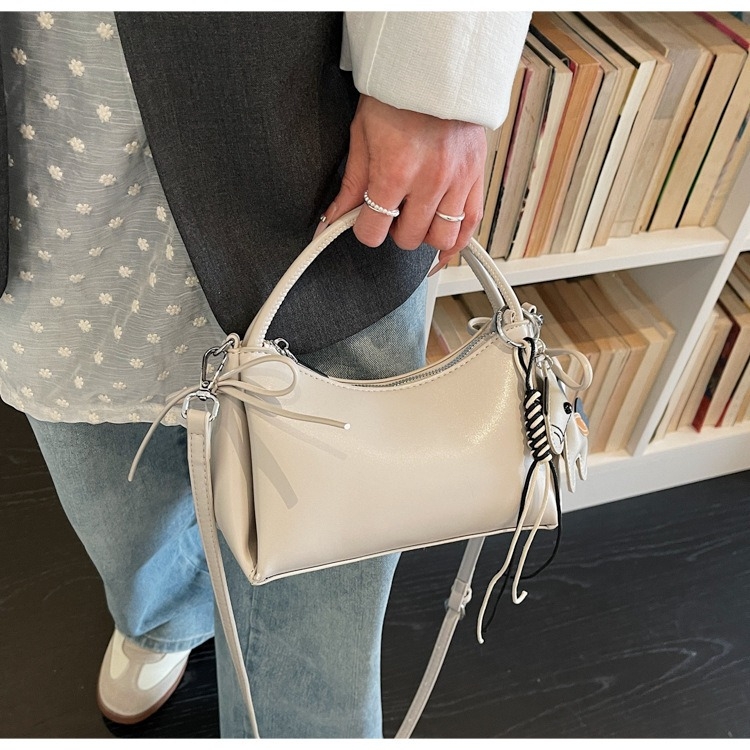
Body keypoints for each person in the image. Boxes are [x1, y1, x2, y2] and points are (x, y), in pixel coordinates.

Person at [0, 11, 531, 738]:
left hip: (296, 118)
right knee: (113, 490)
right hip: (47, 156)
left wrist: (437, 85)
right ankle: (167, 616)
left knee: (325, 568)